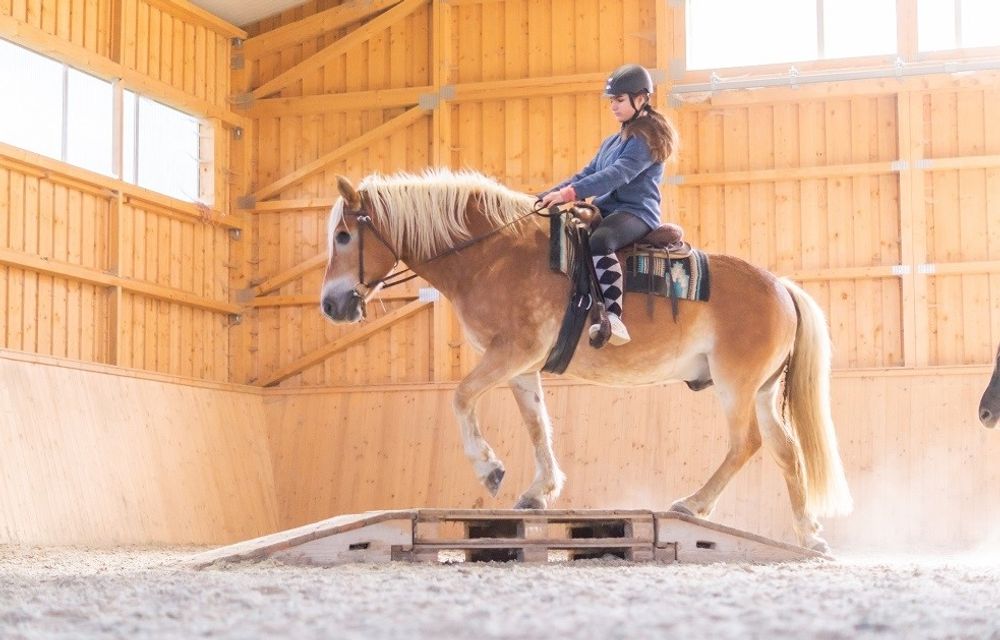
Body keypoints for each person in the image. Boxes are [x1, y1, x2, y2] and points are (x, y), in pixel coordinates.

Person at [539, 63, 678, 346]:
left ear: (640, 99)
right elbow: (587, 174)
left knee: (600, 242)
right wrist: (546, 196)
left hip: (635, 212)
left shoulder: (646, 138)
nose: (613, 106)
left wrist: (570, 194)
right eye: (612, 100)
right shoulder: (612, 140)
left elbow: (618, 175)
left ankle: (613, 317)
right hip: (608, 210)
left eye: (619, 100)